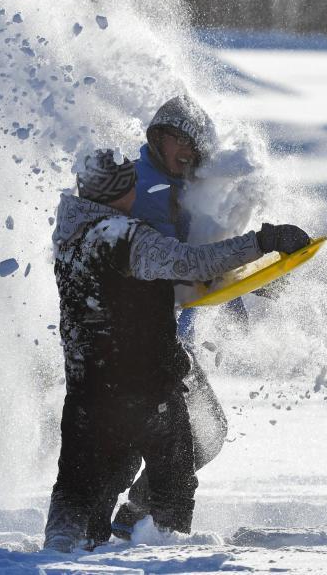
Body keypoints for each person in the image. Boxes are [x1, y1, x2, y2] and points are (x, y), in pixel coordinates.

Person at [44, 150, 310, 551]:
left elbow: (157, 282)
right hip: (145, 391)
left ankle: (61, 548)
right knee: (172, 486)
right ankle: (159, 548)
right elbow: (193, 263)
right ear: (121, 190)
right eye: (130, 182)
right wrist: (263, 241)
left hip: (88, 395)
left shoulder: (70, 238)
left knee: (80, 487)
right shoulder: (123, 238)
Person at [112, 95, 244, 538]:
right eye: (178, 140)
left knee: (205, 436)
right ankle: (133, 529)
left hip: (167, 344)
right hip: (136, 347)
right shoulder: (145, 190)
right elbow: (177, 266)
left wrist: (249, 281)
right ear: (158, 138)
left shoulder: (177, 188)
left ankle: (130, 521)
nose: (187, 150)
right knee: (182, 446)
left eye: (195, 145)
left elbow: (200, 258)